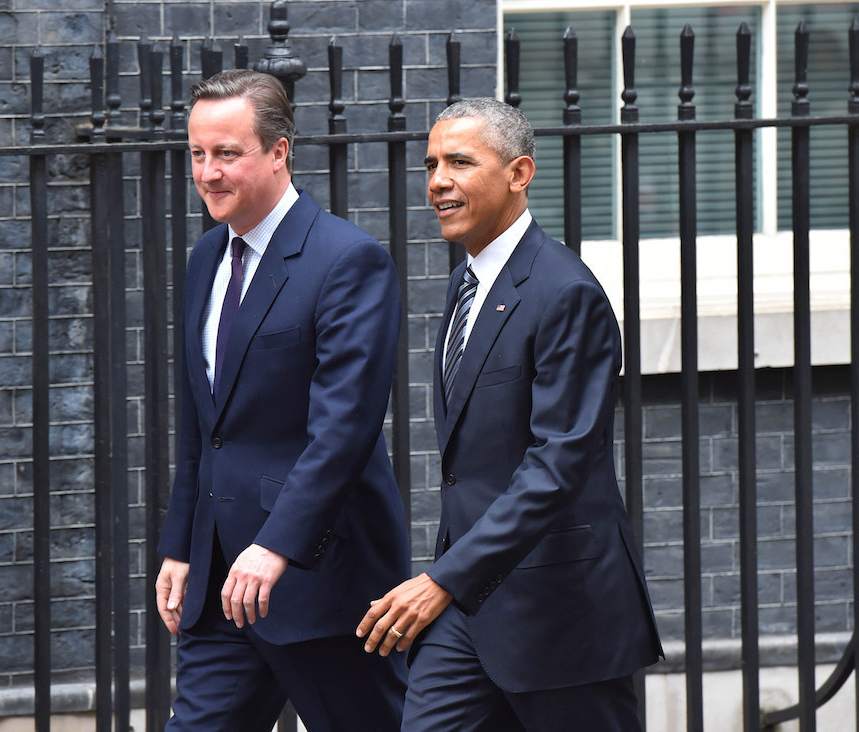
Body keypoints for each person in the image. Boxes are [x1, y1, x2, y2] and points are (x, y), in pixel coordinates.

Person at [357, 97, 663, 731]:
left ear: (519, 174)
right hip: (468, 607)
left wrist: (443, 579)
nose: (438, 180)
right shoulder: (468, 282)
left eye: (460, 162)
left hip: (561, 614)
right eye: (432, 163)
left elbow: (558, 465)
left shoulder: (566, 293)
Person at [156, 69, 408, 732]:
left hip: (320, 577)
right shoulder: (207, 257)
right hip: (221, 584)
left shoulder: (348, 260)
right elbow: (202, 424)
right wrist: (182, 544)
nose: (208, 173)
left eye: (227, 154)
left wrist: (278, 545)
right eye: (198, 154)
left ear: (278, 152)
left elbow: (344, 429)